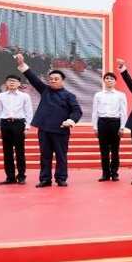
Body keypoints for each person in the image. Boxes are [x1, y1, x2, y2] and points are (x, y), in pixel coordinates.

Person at [15, 53, 82, 187]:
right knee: (45, 156)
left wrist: (71, 120)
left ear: (62, 81)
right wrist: (22, 65)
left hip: (61, 130)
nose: (52, 81)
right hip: (44, 129)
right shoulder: (45, 90)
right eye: (50, 79)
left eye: (56, 79)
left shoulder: (69, 96)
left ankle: (61, 178)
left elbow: (77, 111)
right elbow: (33, 78)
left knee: (61, 156)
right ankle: (45, 179)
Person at [0, 74, 33, 185]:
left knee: (20, 151)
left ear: (19, 84)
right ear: (6, 83)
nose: (12, 83)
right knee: (7, 152)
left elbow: (29, 112)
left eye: (14, 81)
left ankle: (21, 176)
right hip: (5, 124)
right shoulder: (1, 96)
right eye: (9, 81)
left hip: (19, 124)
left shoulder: (25, 96)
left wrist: (27, 126)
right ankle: (10, 177)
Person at [92, 73, 128, 182]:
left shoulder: (120, 95)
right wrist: (95, 127)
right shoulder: (98, 95)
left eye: (111, 79)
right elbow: (95, 112)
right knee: (103, 150)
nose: (109, 80)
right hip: (102, 123)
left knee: (115, 150)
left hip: (115, 123)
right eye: (107, 78)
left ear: (115, 81)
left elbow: (123, 112)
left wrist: (122, 127)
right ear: (104, 81)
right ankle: (105, 174)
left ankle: (115, 173)